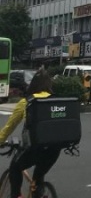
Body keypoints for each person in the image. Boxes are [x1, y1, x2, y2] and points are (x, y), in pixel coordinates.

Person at [0, 70, 62, 198]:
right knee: (38, 179)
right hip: (54, 149)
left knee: (15, 168)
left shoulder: (26, 102)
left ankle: (16, 195)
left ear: (32, 84)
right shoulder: (55, 100)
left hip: (34, 149)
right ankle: (37, 191)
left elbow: (9, 127)